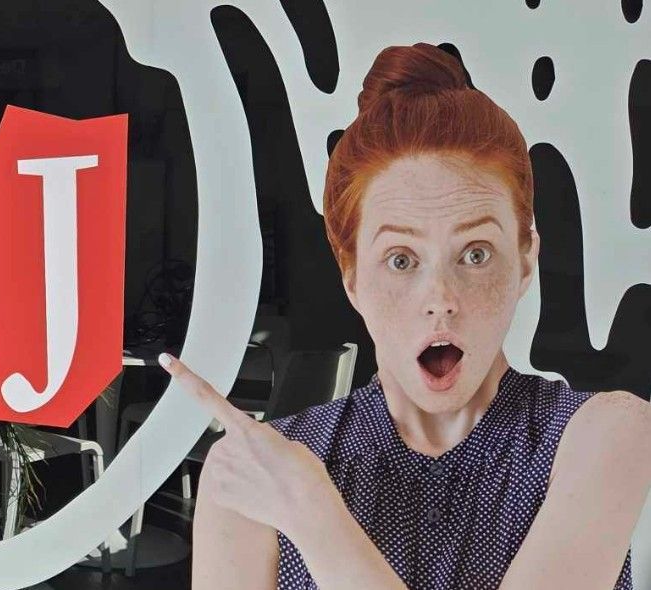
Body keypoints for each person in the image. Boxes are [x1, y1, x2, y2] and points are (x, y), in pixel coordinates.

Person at [181, 43, 651, 589]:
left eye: (475, 254)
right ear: (352, 278)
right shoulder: (253, 476)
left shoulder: (605, 434)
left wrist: (312, 514)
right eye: (401, 260)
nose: (441, 298)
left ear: (526, 261)